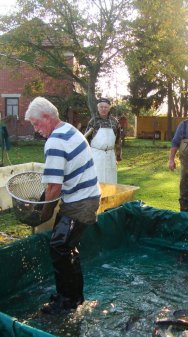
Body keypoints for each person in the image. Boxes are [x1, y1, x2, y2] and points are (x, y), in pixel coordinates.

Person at [25, 97, 101, 314]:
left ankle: (66, 302)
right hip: (85, 197)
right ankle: (73, 298)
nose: (36, 129)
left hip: (80, 202)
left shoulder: (55, 142)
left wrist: (42, 215)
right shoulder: (69, 129)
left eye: (36, 124)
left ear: (48, 118)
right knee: (66, 247)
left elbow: (54, 187)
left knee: (59, 247)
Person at [84, 98, 122, 183]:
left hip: (110, 155)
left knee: (111, 180)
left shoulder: (115, 122)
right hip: (96, 155)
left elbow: (118, 139)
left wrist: (118, 156)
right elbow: (85, 139)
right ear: (98, 108)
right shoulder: (93, 121)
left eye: (106, 107)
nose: (103, 109)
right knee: (97, 179)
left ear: (109, 108)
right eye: (101, 107)